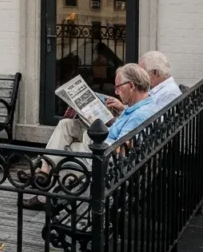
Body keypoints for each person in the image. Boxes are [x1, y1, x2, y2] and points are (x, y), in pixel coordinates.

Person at [23, 62, 156, 209]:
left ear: (131, 86)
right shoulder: (138, 106)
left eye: (118, 87)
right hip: (102, 144)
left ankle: (45, 186)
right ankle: (45, 170)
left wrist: (94, 125)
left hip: (104, 156)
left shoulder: (140, 115)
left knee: (65, 149)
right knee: (66, 124)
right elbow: (123, 132)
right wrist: (115, 115)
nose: (116, 92)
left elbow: (120, 149)